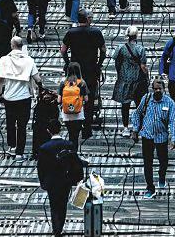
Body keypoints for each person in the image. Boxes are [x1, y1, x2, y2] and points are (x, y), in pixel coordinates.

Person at [130, 76, 175, 199]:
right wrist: (135, 129)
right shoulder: (146, 99)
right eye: (155, 89)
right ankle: (150, 187)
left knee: (163, 161)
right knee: (148, 163)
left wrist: (174, 138)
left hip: (161, 137)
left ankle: (162, 175)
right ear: (152, 89)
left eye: (159, 89)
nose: (157, 91)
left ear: (164, 89)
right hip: (147, 135)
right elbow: (136, 114)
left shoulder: (169, 102)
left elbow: (174, 120)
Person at [37, 117, 85, 237]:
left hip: (51, 181)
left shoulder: (44, 148)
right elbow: (76, 163)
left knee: (53, 205)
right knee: (63, 204)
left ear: (48, 131)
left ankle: (56, 229)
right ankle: (60, 227)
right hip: (65, 179)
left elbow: (40, 168)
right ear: (60, 129)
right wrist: (78, 179)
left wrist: (43, 182)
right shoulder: (68, 144)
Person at [61, 9, 106, 137]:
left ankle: (75, 125)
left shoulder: (71, 32)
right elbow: (103, 50)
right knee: (90, 99)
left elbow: (63, 50)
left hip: (75, 71)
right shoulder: (96, 32)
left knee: (75, 95)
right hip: (91, 69)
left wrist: (68, 63)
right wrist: (99, 64)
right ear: (87, 19)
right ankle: (87, 128)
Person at [0, 36, 42, 158]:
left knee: (10, 123)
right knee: (22, 126)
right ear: (22, 46)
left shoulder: (4, 60)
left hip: (9, 98)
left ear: (12, 46)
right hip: (24, 98)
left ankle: (12, 146)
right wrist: (41, 88)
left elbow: (0, 79)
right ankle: (20, 153)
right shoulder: (29, 60)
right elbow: (37, 78)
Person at [113, 25, 149, 131]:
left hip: (124, 79)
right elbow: (143, 66)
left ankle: (125, 127)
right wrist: (147, 77)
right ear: (137, 36)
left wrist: (120, 73)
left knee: (125, 105)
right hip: (137, 80)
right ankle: (139, 126)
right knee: (139, 105)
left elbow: (116, 62)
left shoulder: (120, 47)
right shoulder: (140, 49)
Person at [60, 62, 90, 151]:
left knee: (70, 134)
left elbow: (58, 100)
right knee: (76, 136)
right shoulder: (82, 83)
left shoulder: (63, 82)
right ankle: (74, 154)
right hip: (78, 114)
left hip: (66, 114)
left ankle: (70, 153)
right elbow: (86, 99)